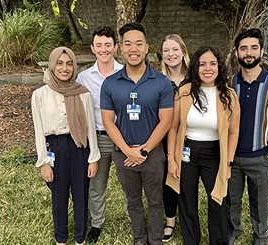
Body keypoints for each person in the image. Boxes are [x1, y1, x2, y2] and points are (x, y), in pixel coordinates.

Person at [100, 22, 174, 245]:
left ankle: (155, 239)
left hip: (152, 154)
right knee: (132, 200)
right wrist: (127, 152)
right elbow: (107, 121)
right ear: (121, 48)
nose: (134, 49)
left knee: (155, 200)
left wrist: (143, 150)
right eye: (128, 44)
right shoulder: (110, 83)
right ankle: (139, 239)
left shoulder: (161, 82)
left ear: (147, 47)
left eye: (139, 43)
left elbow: (166, 121)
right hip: (123, 155)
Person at [166, 45, 240, 245]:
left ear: (219, 67)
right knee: (187, 199)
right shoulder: (184, 92)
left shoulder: (229, 95)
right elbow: (173, 128)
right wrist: (171, 158)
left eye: (212, 64)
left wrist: (228, 164)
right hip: (187, 152)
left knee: (218, 199)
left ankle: (218, 241)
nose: (207, 68)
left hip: (214, 154)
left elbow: (233, 132)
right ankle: (191, 240)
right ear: (196, 67)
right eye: (202, 64)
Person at [31, 47, 100, 245]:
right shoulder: (40, 95)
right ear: (52, 66)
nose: (65, 68)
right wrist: (44, 162)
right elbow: (38, 131)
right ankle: (61, 239)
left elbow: (90, 129)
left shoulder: (83, 94)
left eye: (69, 64)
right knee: (59, 196)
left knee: (81, 195)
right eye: (60, 63)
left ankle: (80, 238)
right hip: (56, 148)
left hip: (79, 147)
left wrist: (93, 158)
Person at [227, 28, 268, 245]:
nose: (249, 53)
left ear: (262, 51)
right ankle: (233, 231)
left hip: (260, 157)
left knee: (259, 202)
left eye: (254, 48)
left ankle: (260, 237)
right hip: (232, 158)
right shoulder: (230, 83)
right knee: (231, 200)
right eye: (244, 48)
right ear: (237, 53)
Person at [76, 25, 124, 243]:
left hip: (125, 139)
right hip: (99, 138)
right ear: (92, 48)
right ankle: (96, 224)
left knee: (129, 184)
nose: (103, 49)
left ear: (115, 47)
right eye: (99, 45)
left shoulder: (126, 73)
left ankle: (135, 220)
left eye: (107, 45)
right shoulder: (84, 78)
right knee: (97, 185)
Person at [159, 33, 190, 242]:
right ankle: (170, 221)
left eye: (175, 49)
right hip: (163, 137)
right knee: (167, 180)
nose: (171, 54)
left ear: (183, 51)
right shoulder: (157, 80)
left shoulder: (195, 77)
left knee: (186, 179)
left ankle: (188, 218)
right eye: (166, 50)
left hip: (190, 138)